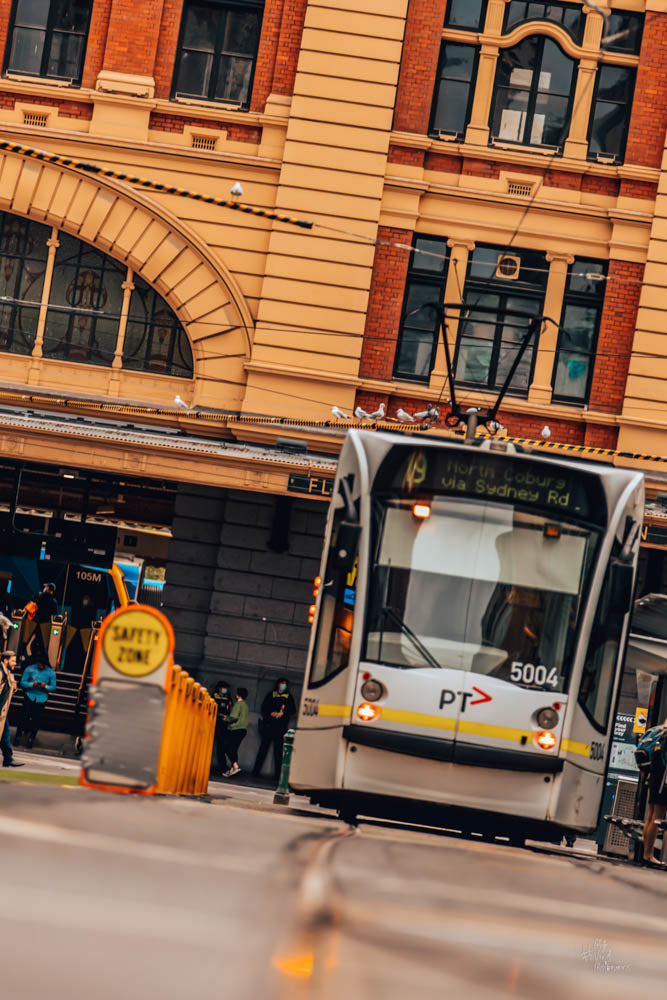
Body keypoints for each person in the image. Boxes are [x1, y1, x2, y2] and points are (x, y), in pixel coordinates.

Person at [252, 678, 296, 780]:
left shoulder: (289, 697)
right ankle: (255, 772)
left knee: (278, 751)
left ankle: (277, 775)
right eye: (282, 683)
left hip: (281, 727)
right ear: (278, 684)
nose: (283, 685)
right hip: (269, 725)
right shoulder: (271, 695)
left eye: (285, 684)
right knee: (263, 749)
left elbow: (293, 710)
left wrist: (283, 713)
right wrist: (271, 713)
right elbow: (264, 708)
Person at [15, 654, 56, 749]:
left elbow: (53, 687)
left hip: (42, 698)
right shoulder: (30, 669)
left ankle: (31, 738)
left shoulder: (50, 673)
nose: (40, 666)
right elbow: (22, 682)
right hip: (29, 696)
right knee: (24, 716)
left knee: (36, 719)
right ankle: (18, 736)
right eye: (39, 664)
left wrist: (45, 686)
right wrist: (32, 684)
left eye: (42, 664)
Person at [643, 719, 667, 866]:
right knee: (657, 817)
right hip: (663, 779)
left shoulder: (662, 729)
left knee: (651, 816)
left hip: (655, 776)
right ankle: (649, 855)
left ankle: (646, 853)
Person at [0, 651, 23, 768]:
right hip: (0, 711)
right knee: (5, 734)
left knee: (5, 734)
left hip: (3, 712)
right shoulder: (0, 673)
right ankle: (8, 758)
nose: (15, 663)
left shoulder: (8, 673)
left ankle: (8, 758)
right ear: (5, 660)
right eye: (13, 661)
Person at [23, 583, 57, 660]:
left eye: (45, 587)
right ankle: (39, 659)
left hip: (33, 621)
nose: (44, 588)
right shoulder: (53, 601)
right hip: (43, 624)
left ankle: (21, 655)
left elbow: (31, 604)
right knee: (40, 642)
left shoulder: (38, 595)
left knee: (26, 639)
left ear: (48, 589)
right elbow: (53, 613)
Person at [221, 687, 249, 778]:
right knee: (233, 748)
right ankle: (233, 768)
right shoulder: (245, 705)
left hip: (235, 729)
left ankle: (235, 766)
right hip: (243, 730)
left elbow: (234, 717)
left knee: (226, 747)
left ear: (237, 695)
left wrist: (226, 718)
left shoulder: (238, 704)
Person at [211, 680, 233, 774]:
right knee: (208, 745)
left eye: (226, 688)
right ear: (219, 688)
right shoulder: (213, 697)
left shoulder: (228, 699)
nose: (225, 690)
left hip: (223, 725)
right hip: (212, 722)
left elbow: (231, 710)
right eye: (224, 688)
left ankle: (222, 766)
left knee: (221, 746)